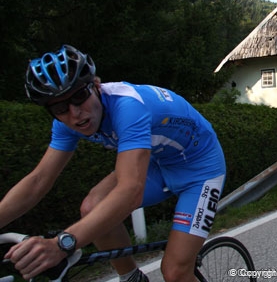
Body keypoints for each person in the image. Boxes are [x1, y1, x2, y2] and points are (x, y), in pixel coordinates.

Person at [1, 45, 226, 282]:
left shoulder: (128, 107)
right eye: (59, 107)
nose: (75, 113)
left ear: (96, 85)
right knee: (92, 206)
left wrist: (63, 244)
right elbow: (38, 180)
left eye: (79, 96)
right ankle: (131, 277)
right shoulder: (65, 124)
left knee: (175, 272)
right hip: (160, 161)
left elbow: (131, 191)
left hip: (201, 169)